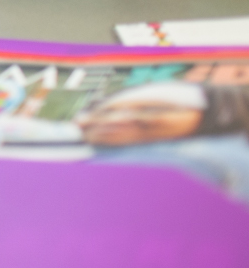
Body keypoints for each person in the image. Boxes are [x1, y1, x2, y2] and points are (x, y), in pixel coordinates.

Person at [80, 82, 249, 202]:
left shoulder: (186, 159)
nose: (116, 119)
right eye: (103, 111)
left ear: (223, 113)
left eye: (152, 109)